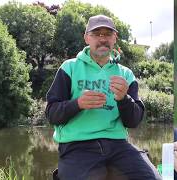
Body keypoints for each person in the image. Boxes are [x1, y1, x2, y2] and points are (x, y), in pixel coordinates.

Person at [45, 14, 161, 180]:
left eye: (107, 34)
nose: (102, 39)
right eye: (96, 34)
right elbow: (51, 113)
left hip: (118, 146)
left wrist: (124, 99)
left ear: (115, 39)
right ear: (87, 38)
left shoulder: (126, 74)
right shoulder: (69, 68)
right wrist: (78, 104)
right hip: (77, 146)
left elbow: (133, 121)